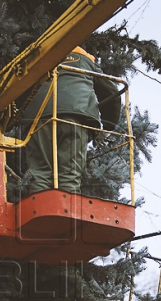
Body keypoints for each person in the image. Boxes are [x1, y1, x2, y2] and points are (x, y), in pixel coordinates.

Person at [20, 46, 121, 195]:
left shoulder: (39, 57)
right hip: (75, 117)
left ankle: (40, 212)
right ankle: (65, 215)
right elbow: (112, 93)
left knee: (40, 173)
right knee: (69, 175)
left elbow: (20, 90)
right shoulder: (87, 61)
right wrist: (107, 128)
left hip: (38, 117)